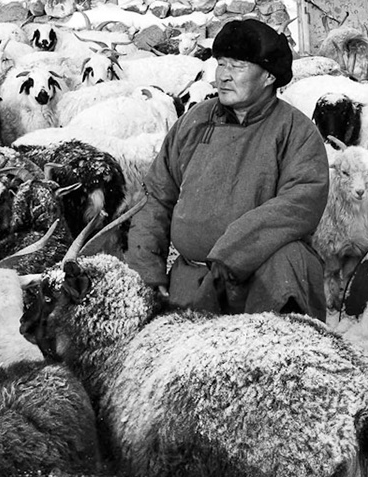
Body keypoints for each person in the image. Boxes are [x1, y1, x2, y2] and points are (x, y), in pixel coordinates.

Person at [127, 18, 330, 315]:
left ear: (269, 76)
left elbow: (299, 205)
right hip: (194, 282)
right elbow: (156, 195)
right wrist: (146, 270)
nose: (223, 76)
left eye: (237, 66)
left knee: (291, 266)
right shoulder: (195, 121)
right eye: (220, 64)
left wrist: (232, 252)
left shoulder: (295, 131)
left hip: (264, 282)